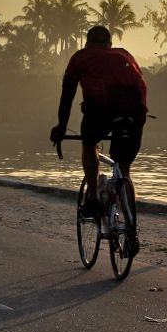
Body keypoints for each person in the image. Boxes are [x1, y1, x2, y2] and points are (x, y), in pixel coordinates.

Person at [50, 25, 148, 222]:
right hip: (135, 113)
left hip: (100, 111)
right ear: (110, 44)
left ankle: (93, 198)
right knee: (124, 168)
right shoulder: (124, 55)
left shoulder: (81, 57)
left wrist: (62, 127)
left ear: (87, 42)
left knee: (89, 144)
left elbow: (67, 95)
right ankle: (130, 227)